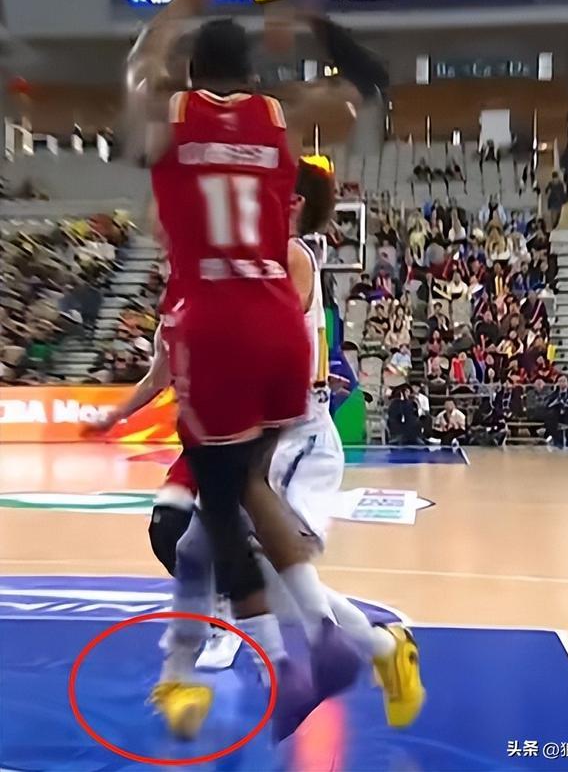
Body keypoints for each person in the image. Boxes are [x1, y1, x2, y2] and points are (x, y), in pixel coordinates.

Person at [126, 0, 389, 739]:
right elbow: (358, 90)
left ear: (194, 73)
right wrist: (317, 28)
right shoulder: (280, 116)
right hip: (278, 332)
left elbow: (140, 61)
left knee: (219, 510)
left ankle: (303, 659)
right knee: (234, 502)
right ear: (248, 74)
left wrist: (180, 3)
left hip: (218, 327)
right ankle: (297, 653)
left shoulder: (173, 112)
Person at [87, 165, 425, 733]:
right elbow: (172, 364)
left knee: (241, 560)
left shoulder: (288, 256)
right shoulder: (216, 273)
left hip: (291, 435)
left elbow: (263, 338)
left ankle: (345, 654)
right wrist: (118, 413)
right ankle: (202, 678)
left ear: (289, 205)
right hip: (256, 431)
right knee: (196, 550)